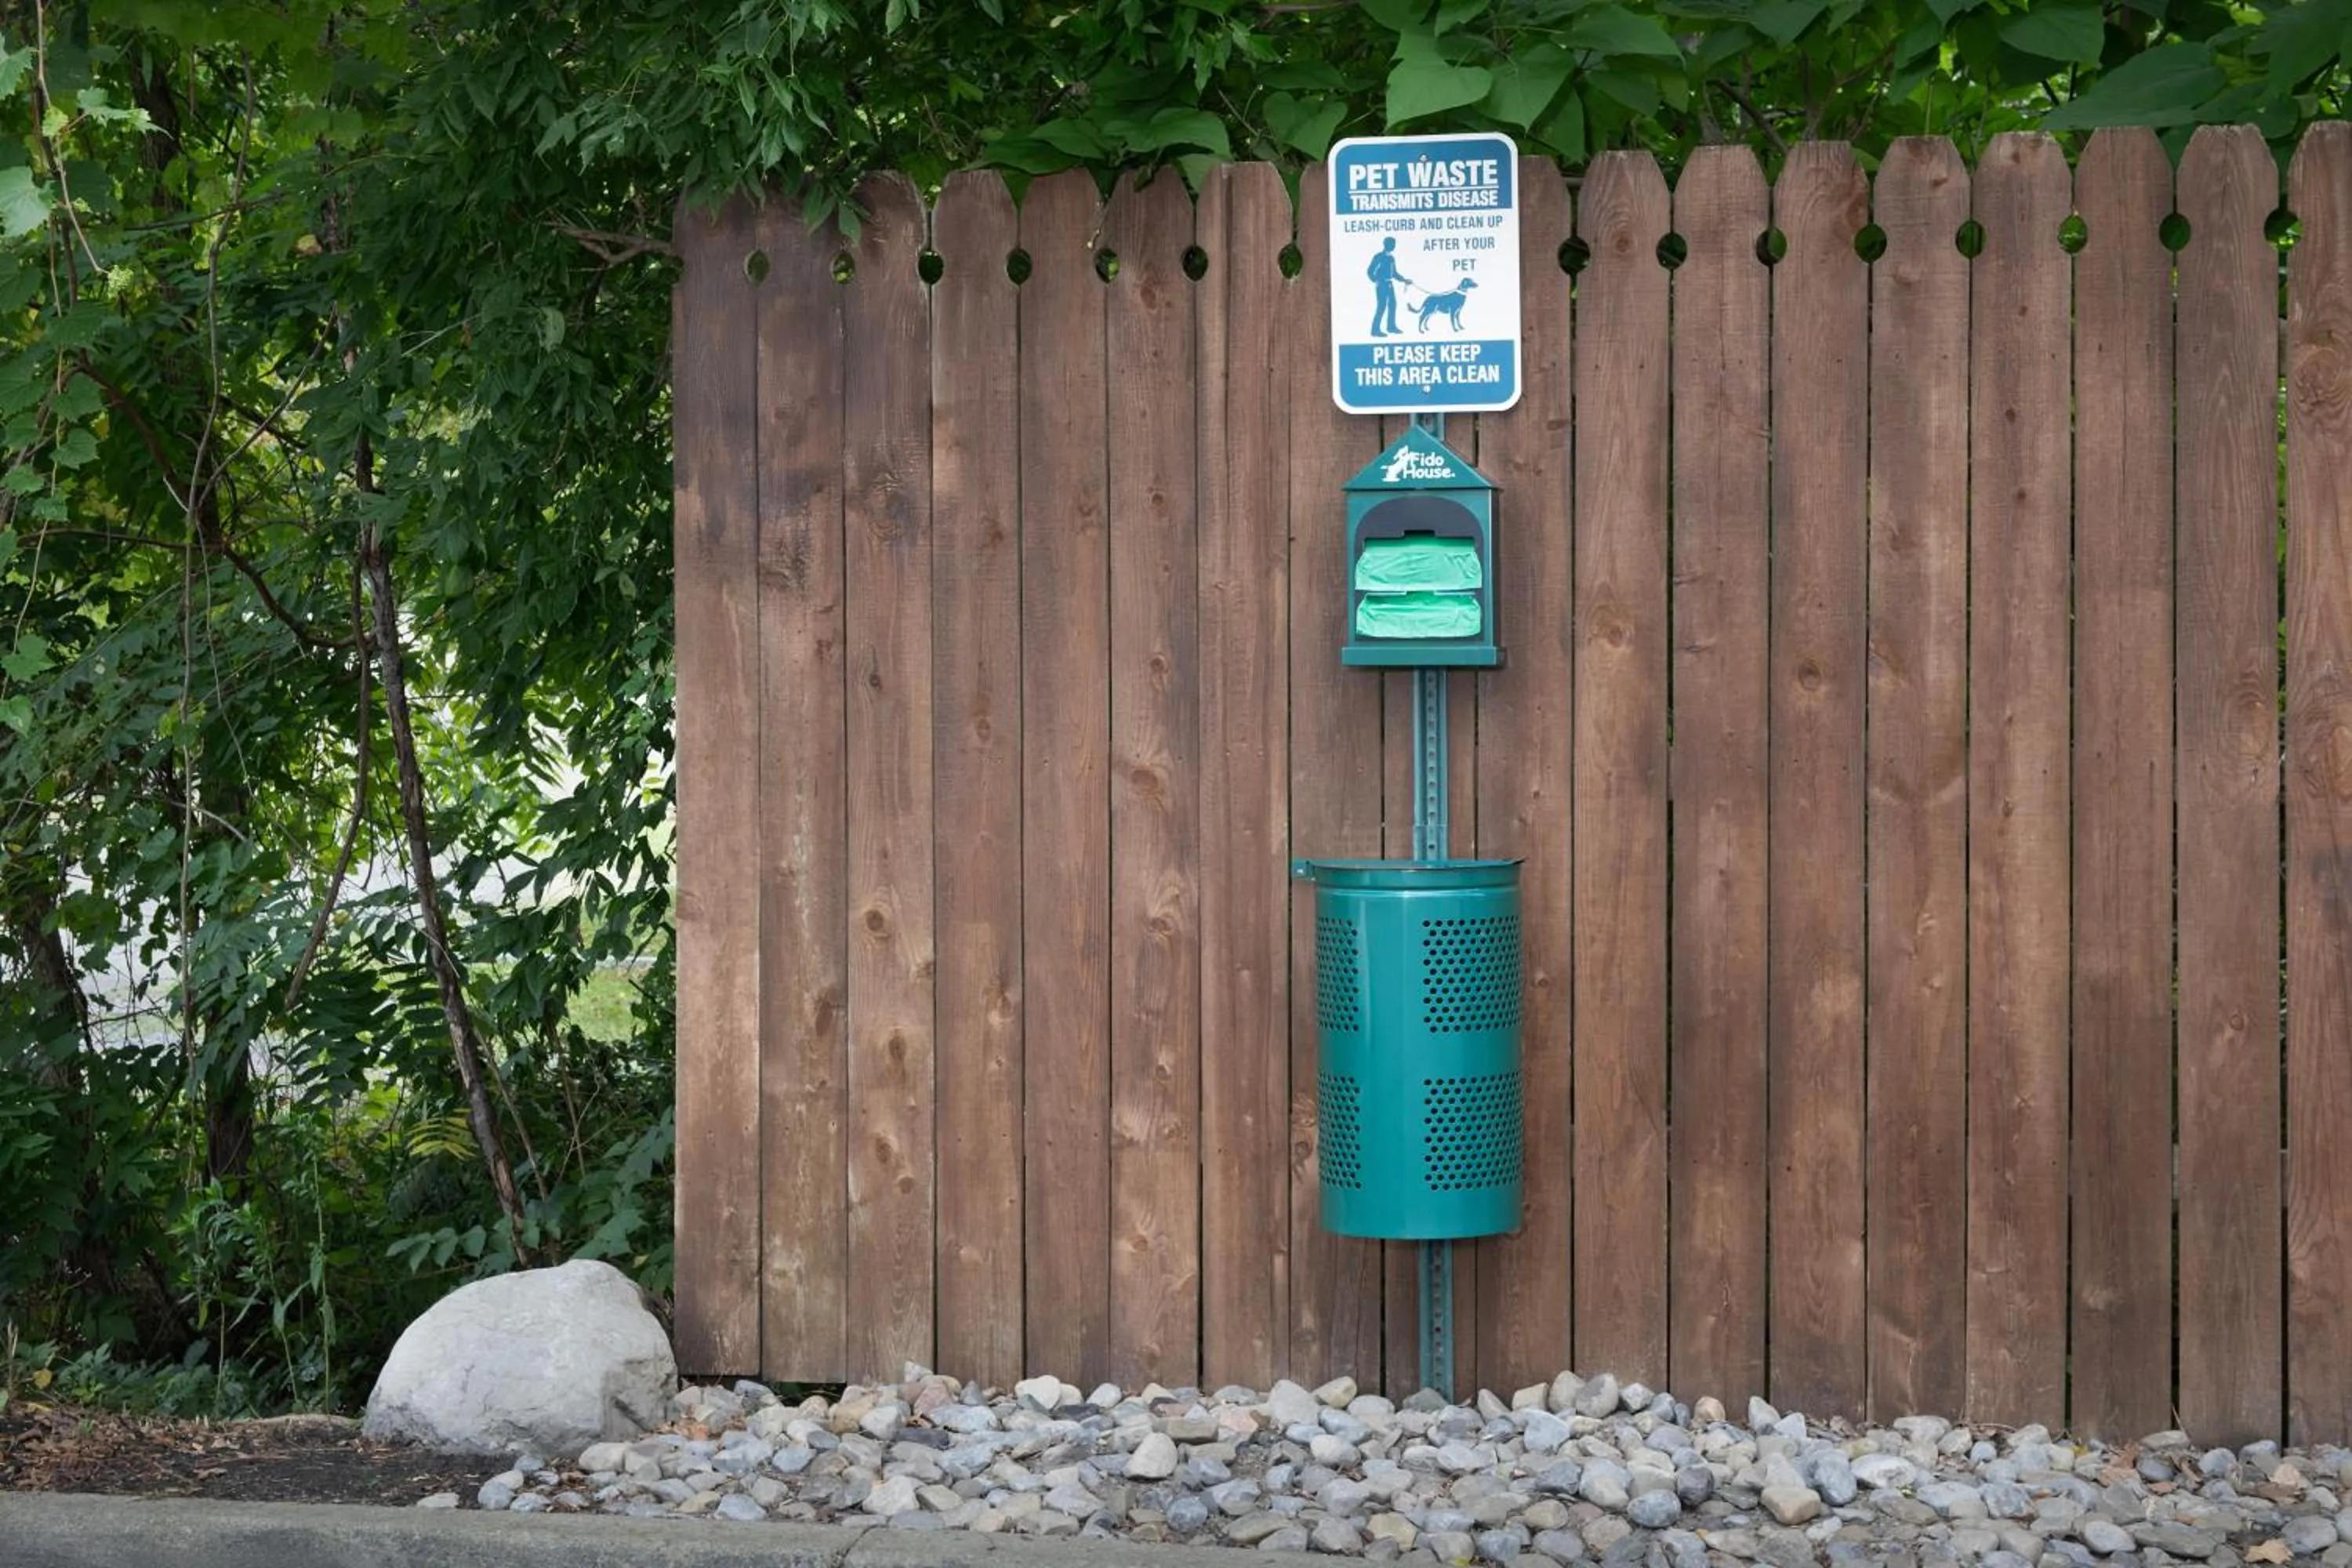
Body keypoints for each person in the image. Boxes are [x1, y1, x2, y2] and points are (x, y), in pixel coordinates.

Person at [1367, 238, 1411, 337]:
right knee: (1381, 306)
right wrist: (1376, 280)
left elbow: (1394, 274)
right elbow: (1370, 271)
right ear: (1385, 244)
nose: (1393, 246)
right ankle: (1375, 330)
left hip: (1389, 284)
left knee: (1393, 304)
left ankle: (1391, 327)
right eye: (1391, 244)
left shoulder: (1392, 258)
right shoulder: (1378, 257)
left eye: (1394, 244)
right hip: (1381, 285)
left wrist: (1404, 280)